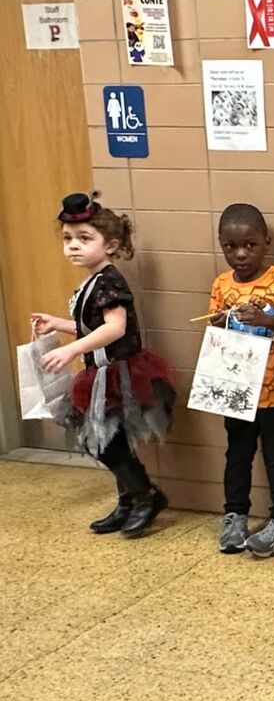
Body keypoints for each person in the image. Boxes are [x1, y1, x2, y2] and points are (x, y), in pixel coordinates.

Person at [31, 192, 175, 537]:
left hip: (120, 374)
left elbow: (115, 328)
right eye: (68, 239)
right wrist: (59, 324)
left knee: (107, 443)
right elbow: (93, 327)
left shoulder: (109, 280)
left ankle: (146, 496)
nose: (73, 247)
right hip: (101, 374)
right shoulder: (92, 281)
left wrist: (70, 350)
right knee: (109, 441)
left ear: (110, 244)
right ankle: (129, 500)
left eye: (84, 238)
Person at [209, 204, 274, 557]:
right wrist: (219, 322)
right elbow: (214, 330)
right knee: (237, 454)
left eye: (249, 245)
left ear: (265, 241)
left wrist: (266, 320)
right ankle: (235, 515)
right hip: (236, 390)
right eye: (231, 247)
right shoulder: (221, 284)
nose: (240, 255)